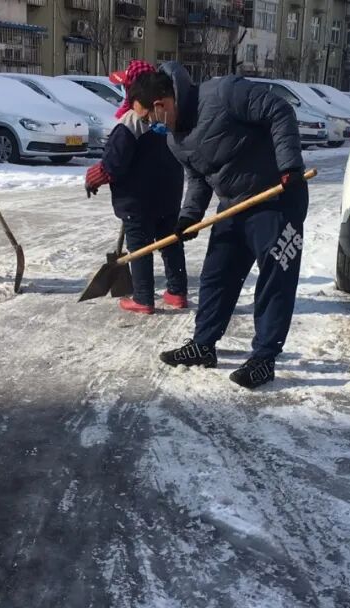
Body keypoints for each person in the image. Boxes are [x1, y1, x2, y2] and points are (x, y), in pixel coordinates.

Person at [127, 63, 308, 389]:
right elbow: (199, 176)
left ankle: (264, 359)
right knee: (216, 275)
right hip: (234, 205)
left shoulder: (223, 93)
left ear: (160, 104)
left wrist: (290, 166)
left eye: (147, 118)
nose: (148, 125)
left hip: (277, 196)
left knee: (274, 281)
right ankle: (203, 344)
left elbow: (279, 110)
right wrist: (189, 215)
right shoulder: (175, 140)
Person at [84, 60, 187, 314]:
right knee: (170, 242)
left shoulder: (130, 122)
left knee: (140, 247)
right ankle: (177, 292)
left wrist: (94, 177)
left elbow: (113, 164)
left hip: (137, 201)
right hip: (169, 195)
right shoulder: (169, 115)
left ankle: (143, 298)